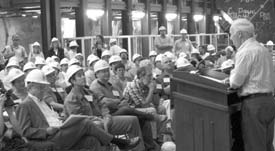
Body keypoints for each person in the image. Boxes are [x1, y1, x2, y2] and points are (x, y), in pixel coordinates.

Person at [15, 69, 140, 150]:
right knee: (86, 123)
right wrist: (46, 131)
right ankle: (118, 141)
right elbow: (25, 131)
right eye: (40, 88)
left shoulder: (43, 102)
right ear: (30, 87)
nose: (43, 91)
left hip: (61, 129)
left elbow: (101, 103)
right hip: (51, 137)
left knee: (92, 140)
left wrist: (61, 119)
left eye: (44, 88)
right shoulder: (25, 105)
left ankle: (118, 142)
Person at [64, 65, 145, 151]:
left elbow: (102, 104)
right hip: (89, 126)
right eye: (79, 76)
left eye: (83, 74)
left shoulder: (88, 92)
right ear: (72, 81)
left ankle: (139, 149)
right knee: (99, 125)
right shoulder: (71, 99)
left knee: (132, 120)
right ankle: (121, 143)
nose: (83, 77)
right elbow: (79, 120)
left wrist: (107, 116)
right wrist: (98, 119)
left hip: (103, 119)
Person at [228, 18, 275, 151]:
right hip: (269, 100)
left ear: (240, 34)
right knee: (267, 145)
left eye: (231, 35)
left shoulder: (245, 51)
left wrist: (231, 75)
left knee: (255, 146)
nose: (231, 39)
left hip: (254, 104)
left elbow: (236, 82)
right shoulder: (263, 49)